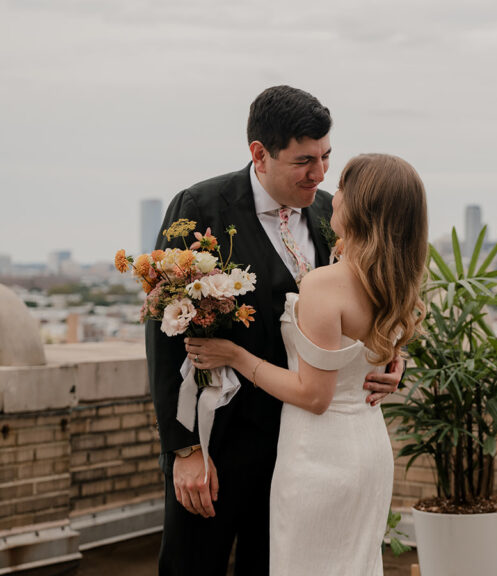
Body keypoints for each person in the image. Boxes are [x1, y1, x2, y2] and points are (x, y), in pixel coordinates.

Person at [146, 86, 404, 576]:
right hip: (217, 442)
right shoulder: (201, 206)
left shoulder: (334, 210)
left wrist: (391, 359)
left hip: (304, 449)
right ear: (259, 154)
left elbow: (374, 297)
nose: (321, 173)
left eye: (327, 157)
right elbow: (164, 333)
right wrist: (184, 449)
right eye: (305, 160)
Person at [184, 153, 428, 575]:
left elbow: (314, 396)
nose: (333, 197)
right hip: (369, 450)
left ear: (360, 207)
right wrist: (393, 360)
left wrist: (235, 355)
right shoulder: (393, 279)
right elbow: (370, 348)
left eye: (344, 189)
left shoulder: (323, 283)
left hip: (319, 456)